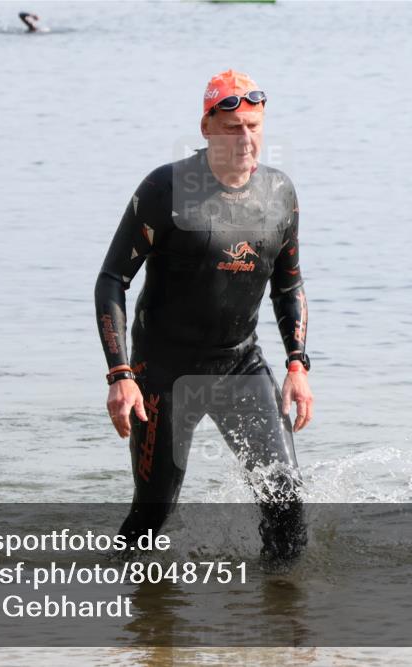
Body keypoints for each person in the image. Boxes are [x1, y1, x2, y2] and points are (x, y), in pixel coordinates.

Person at [94, 70, 313, 566]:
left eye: (254, 126)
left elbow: (289, 282)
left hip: (240, 365)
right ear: (207, 127)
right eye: (233, 127)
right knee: (153, 514)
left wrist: (298, 365)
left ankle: (279, 623)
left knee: (285, 498)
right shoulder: (166, 188)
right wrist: (121, 375)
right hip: (165, 372)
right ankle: (123, 617)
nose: (246, 139)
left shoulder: (279, 193)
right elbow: (112, 280)